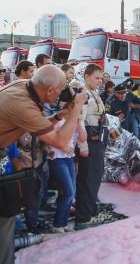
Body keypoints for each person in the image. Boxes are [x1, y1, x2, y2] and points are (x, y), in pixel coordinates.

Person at [0, 65, 87, 264]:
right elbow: (60, 141)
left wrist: (59, 116)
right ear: (49, 90)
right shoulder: (22, 104)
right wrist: (77, 110)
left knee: (6, 217)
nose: (62, 95)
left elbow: (37, 125)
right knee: (4, 216)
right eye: (61, 90)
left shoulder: (23, 86)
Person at [75, 63, 111, 230]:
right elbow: (79, 122)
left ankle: (92, 211)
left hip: (97, 139)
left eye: (101, 78)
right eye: (96, 78)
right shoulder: (83, 93)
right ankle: (84, 217)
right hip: (89, 140)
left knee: (94, 177)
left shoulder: (93, 92)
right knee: (88, 178)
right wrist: (83, 146)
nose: (100, 81)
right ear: (86, 76)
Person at [48, 114, 87, 233]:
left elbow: (83, 137)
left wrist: (79, 121)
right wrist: (61, 145)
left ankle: (63, 223)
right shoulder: (57, 118)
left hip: (69, 158)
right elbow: (46, 136)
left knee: (70, 193)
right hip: (57, 158)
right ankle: (57, 224)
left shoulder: (75, 119)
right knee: (69, 192)